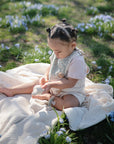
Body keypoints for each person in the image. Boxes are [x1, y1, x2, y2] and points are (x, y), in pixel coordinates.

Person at [0, 19, 89, 111]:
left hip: (70, 91)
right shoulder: (58, 52)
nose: (56, 54)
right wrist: (46, 77)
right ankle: (12, 90)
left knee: (68, 104)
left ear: (73, 45)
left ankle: (49, 97)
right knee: (36, 83)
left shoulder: (77, 60)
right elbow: (52, 66)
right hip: (52, 84)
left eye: (58, 51)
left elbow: (71, 82)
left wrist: (51, 84)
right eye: (53, 50)